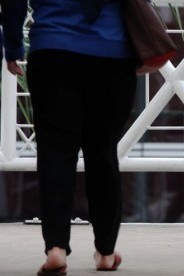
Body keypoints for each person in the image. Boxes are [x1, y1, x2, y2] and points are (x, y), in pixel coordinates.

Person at [2, 0, 137, 274]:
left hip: (53, 49)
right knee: (103, 153)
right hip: (112, 54)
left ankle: (56, 249)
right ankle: (107, 252)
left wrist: (13, 46)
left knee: (55, 154)